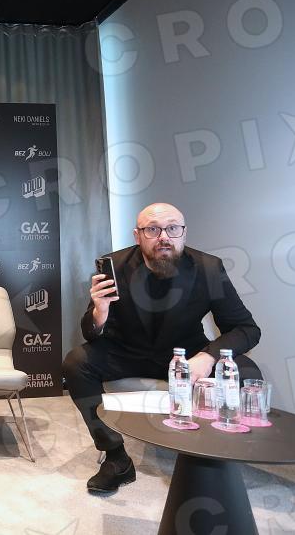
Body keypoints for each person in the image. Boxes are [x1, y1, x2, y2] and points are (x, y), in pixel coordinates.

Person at [62, 203, 261, 494]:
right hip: (126, 351)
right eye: (152, 229)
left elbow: (246, 328)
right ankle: (116, 457)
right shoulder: (115, 265)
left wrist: (207, 357)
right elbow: (90, 333)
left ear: (184, 233)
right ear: (137, 235)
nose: (164, 237)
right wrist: (99, 312)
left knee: (246, 371)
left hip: (186, 355)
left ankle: (215, 458)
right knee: (76, 362)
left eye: (172, 228)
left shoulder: (208, 268)